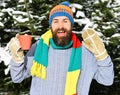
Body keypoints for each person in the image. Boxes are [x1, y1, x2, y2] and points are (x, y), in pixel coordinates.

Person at [9, 1, 114, 95]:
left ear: (71, 24)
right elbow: (17, 77)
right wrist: (17, 58)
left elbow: (107, 79)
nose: (60, 26)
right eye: (56, 21)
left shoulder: (85, 52)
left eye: (65, 21)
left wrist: (101, 55)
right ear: (51, 26)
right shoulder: (38, 48)